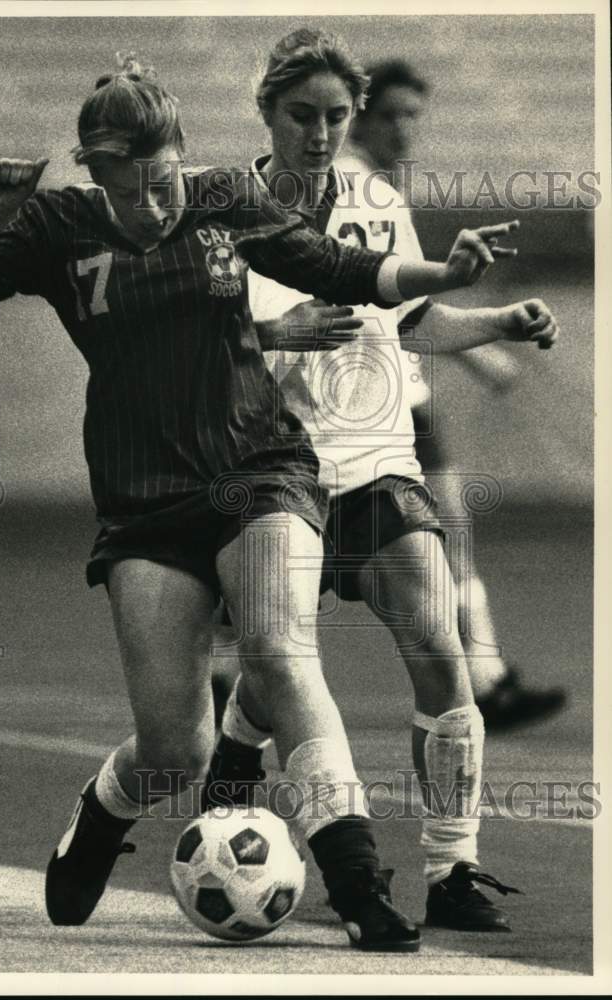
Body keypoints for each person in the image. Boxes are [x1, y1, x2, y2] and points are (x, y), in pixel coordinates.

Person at [0, 56, 514, 952]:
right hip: (145, 504)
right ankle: (102, 812)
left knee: (277, 647)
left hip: (262, 471)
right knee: (174, 750)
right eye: (131, 185)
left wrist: (440, 277)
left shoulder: (220, 198)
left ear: (182, 155)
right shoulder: (54, 226)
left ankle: (358, 880)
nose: (155, 203)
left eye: (163, 178)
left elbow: (337, 267)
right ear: (91, 171)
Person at [205, 28, 559, 933]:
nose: (322, 133)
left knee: (441, 650)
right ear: (266, 111)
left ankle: (451, 870)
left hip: (376, 466)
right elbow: (186, 348)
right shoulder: (225, 214)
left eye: (336, 116)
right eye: (303, 115)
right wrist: (275, 341)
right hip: (275, 473)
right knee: (276, 663)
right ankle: (240, 748)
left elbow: (411, 318)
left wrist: (496, 325)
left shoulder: (372, 197)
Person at [342, 58, 567, 728]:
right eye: (390, 115)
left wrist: (486, 347)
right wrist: (487, 350)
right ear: (359, 115)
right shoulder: (358, 192)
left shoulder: (378, 189)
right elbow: (385, 305)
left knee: (442, 543)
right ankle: (227, 671)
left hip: (400, 397)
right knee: (341, 559)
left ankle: (486, 679)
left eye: (413, 116)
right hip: (362, 406)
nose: (405, 130)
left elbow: (403, 304)